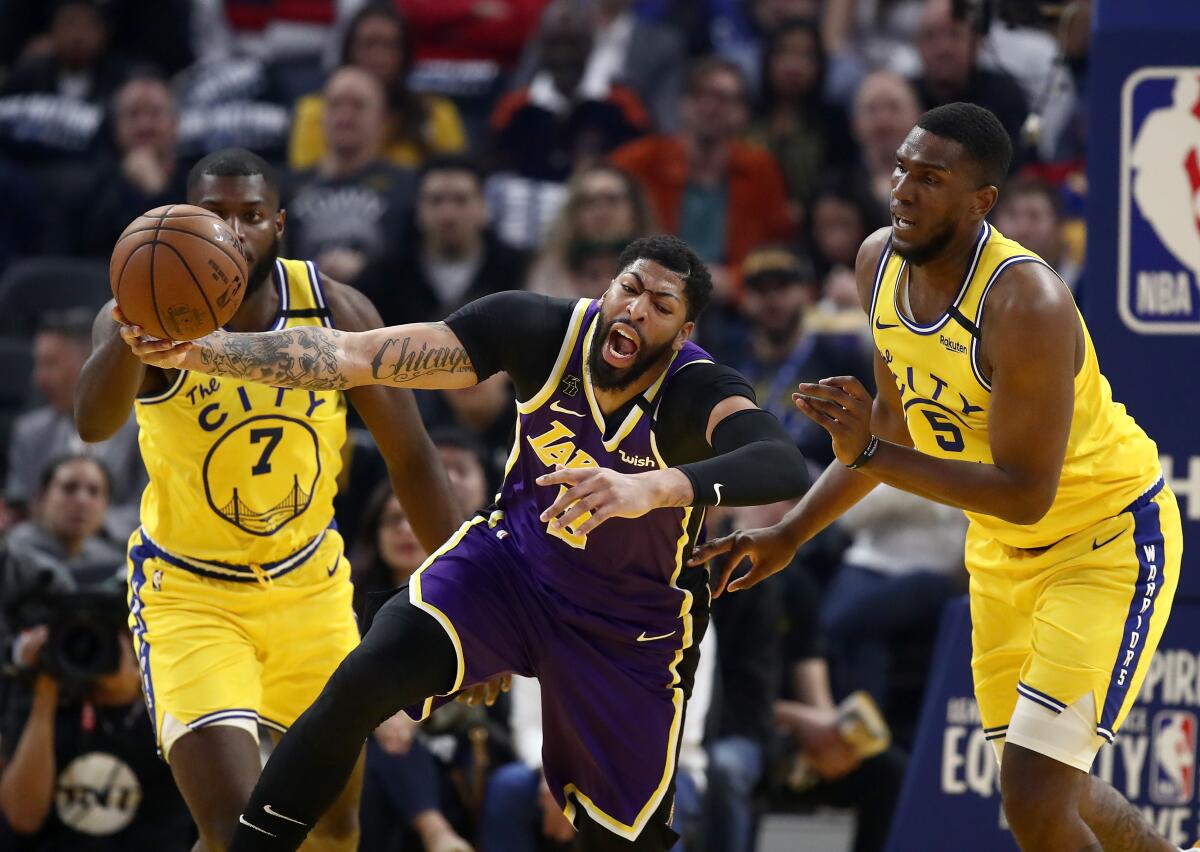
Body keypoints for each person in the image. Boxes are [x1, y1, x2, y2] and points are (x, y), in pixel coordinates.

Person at [117, 233, 811, 851]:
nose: (635, 309)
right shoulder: (537, 329)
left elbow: (777, 461)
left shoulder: (696, 387)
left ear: (683, 330)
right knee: (364, 678)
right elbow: (354, 355)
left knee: (622, 839)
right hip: (510, 572)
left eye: (660, 305)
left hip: (627, 625)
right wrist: (206, 350)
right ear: (605, 288)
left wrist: (650, 488)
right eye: (628, 288)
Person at [692, 103, 1184, 852]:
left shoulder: (1027, 301)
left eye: (930, 177)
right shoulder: (875, 264)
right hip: (999, 554)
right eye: (900, 169)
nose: (903, 190)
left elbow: (1024, 492)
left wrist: (868, 455)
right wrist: (790, 533)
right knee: (1057, 787)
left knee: (1033, 797)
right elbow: (891, 424)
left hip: (1103, 544)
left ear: (981, 201)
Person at [73, 147, 462, 851]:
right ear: (185, 220)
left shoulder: (336, 310)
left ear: (278, 225)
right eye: (215, 214)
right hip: (193, 599)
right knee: (238, 832)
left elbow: (413, 458)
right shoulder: (144, 309)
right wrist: (130, 338)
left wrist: (471, 595)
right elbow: (92, 424)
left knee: (333, 827)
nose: (234, 229)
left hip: (311, 592)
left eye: (251, 215)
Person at [611, 57, 792, 295]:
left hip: (736, 303)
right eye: (704, 95)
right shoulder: (639, 162)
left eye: (726, 99)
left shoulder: (760, 169)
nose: (713, 107)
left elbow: (779, 249)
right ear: (683, 103)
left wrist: (735, 281)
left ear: (743, 113)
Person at [7, 309, 144, 538]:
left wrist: (86, 519)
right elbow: (20, 504)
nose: (38, 379)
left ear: (91, 363)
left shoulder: (144, 430)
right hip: (43, 554)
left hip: (119, 556)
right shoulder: (29, 432)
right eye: (38, 364)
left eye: (50, 364)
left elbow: (154, 512)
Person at [288, 3, 466, 172]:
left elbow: (454, 179)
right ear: (349, 50)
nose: (379, 56)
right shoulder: (315, 111)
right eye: (369, 44)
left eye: (391, 45)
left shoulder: (436, 113)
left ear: (405, 55)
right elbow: (305, 181)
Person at [286, 66, 418, 285]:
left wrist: (367, 270)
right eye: (335, 105)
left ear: (382, 120)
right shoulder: (288, 187)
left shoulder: (408, 186)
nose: (345, 116)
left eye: (358, 106)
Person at [75, 71, 188, 258]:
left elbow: (188, 251)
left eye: (155, 113)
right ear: (116, 127)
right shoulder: (93, 189)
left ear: (175, 123)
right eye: (133, 114)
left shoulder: (196, 185)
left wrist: (158, 191)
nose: (144, 125)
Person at [526, 164, 657, 299]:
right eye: (588, 202)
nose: (600, 210)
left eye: (612, 200)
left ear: (635, 211)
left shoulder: (661, 273)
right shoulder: (551, 274)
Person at [6, 454, 124, 575]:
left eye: (94, 491)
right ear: (43, 497)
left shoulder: (114, 565)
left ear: (106, 504)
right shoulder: (10, 559)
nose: (82, 501)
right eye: (69, 488)